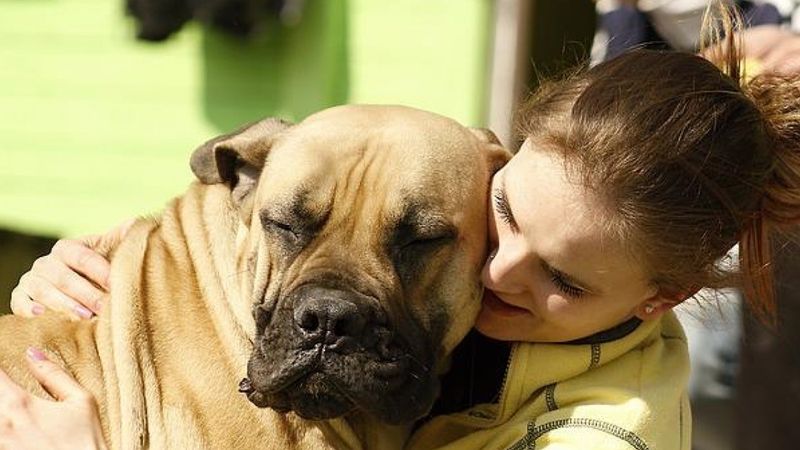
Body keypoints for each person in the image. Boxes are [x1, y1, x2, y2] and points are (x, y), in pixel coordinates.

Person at [4, 5, 800, 448]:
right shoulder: (212, 241)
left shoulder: (604, 431)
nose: (500, 273)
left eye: (564, 280)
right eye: (504, 218)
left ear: (662, 299)